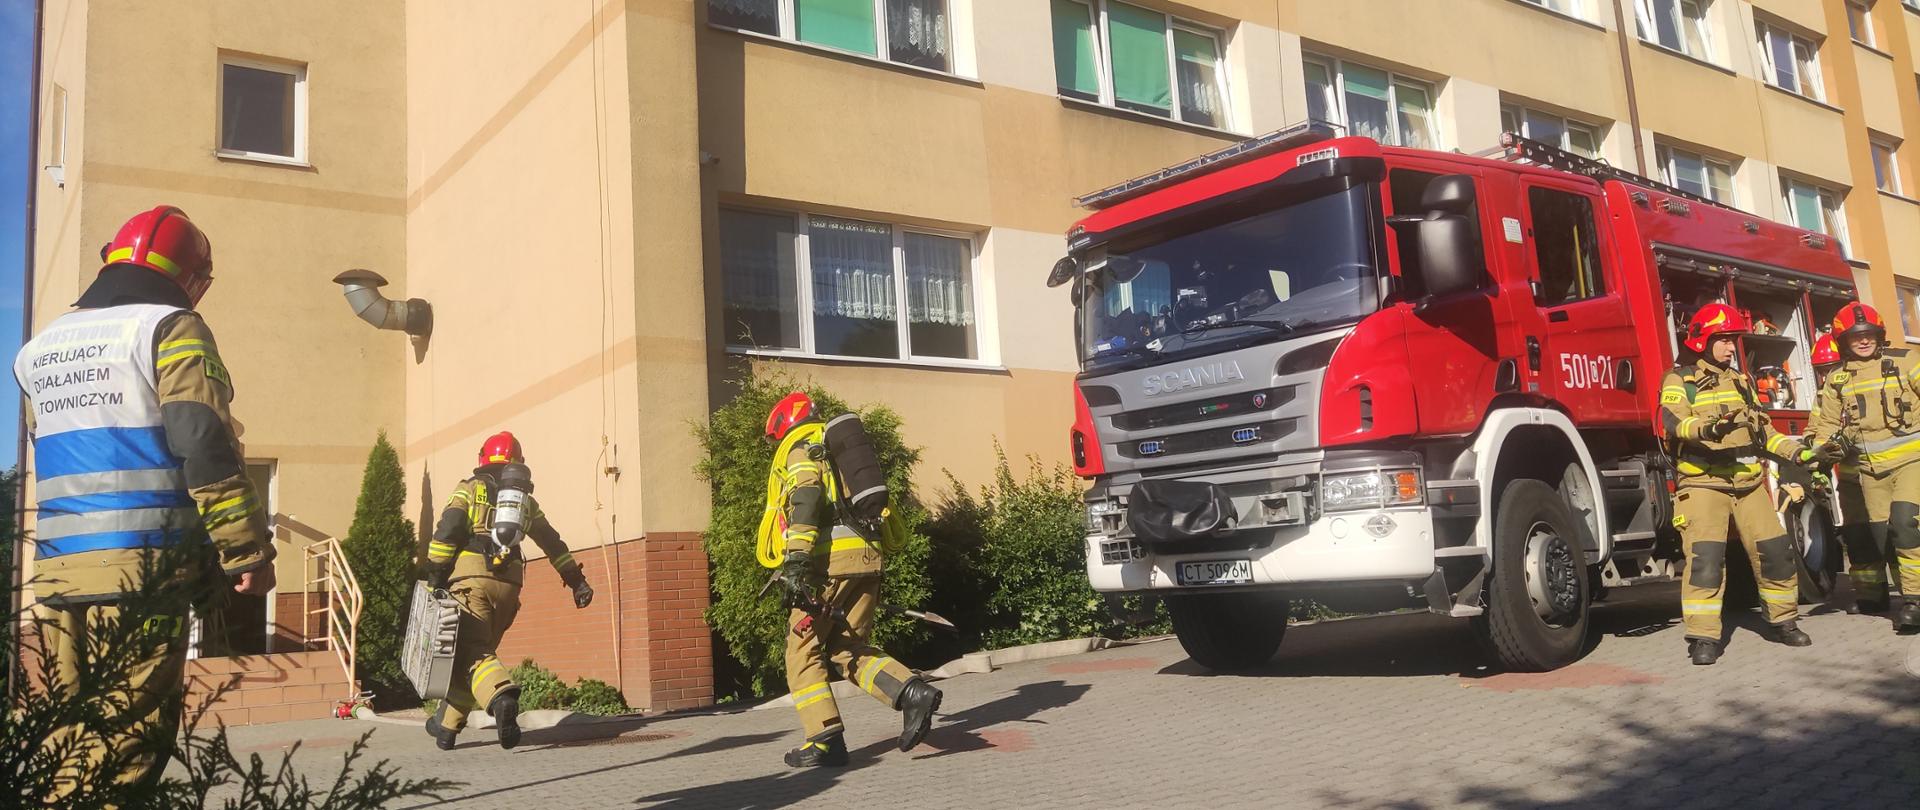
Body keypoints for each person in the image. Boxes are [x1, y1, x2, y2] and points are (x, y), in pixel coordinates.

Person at [13, 205, 275, 793]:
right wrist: (245, 551)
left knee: (69, 739)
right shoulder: (170, 327)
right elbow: (202, 443)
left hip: (57, 573)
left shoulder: (38, 348)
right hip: (141, 571)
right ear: (192, 279)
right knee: (128, 743)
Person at [762, 392, 940, 767]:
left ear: (784, 424)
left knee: (801, 651)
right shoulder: (833, 447)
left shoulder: (801, 448)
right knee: (847, 648)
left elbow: (806, 498)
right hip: (867, 556)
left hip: (829, 564)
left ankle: (824, 740)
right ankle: (912, 693)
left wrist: (796, 560)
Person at [1659, 304, 1821, 665]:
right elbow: (1673, 422)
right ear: (1702, 341)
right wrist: (1709, 429)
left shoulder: (1742, 382)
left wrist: (1799, 453)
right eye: (1723, 340)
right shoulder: (1679, 380)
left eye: (1733, 340)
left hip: (1748, 485)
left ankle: (1784, 621)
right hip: (1703, 484)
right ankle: (1703, 637)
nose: (1731, 347)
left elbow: (1766, 433)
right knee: (1705, 561)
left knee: (1775, 553)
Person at [421, 431, 593, 750]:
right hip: (510, 587)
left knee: (473, 653)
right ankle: (446, 728)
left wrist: (435, 575)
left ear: (483, 458)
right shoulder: (525, 502)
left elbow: (448, 530)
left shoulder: (469, 488)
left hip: (471, 582)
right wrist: (576, 581)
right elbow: (552, 543)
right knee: (477, 654)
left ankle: (502, 698)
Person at [1806, 303, 1920, 632]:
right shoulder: (1837, 379)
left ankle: (1914, 601)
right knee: (1882, 537)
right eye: (1857, 337)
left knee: (1905, 524)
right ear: (1844, 341)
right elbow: (1826, 424)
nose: (1864, 340)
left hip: (1911, 461)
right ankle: (1892, 597)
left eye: (1869, 334)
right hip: (1870, 471)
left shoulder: (1906, 361)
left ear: (1879, 335)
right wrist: (1817, 453)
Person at [1810, 332, 1888, 615]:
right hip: (1850, 478)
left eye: (1830, 367)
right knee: (1857, 534)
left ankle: (1911, 594)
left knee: (1892, 533)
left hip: (1882, 473)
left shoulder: (1869, 383)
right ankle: (1870, 596)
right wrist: (1814, 452)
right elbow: (1816, 429)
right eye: (1820, 370)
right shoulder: (1824, 396)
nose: (1825, 376)